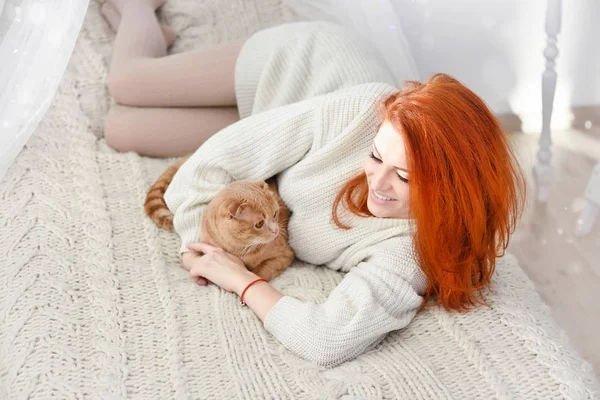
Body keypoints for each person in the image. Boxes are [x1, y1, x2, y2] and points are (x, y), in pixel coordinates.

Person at [101, 0, 526, 367]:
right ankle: (138, 8)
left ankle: (254, 125)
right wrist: (202, 244)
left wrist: (243, 281)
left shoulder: (408, 251)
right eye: (376, 156)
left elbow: (327, 338)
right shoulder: (364, 110)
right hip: (302, 64)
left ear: (450, 189)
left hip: (282, 122)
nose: (376, 180)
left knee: (120, 127)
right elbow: (206, 169)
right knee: (126, 82)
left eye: (403, 177)